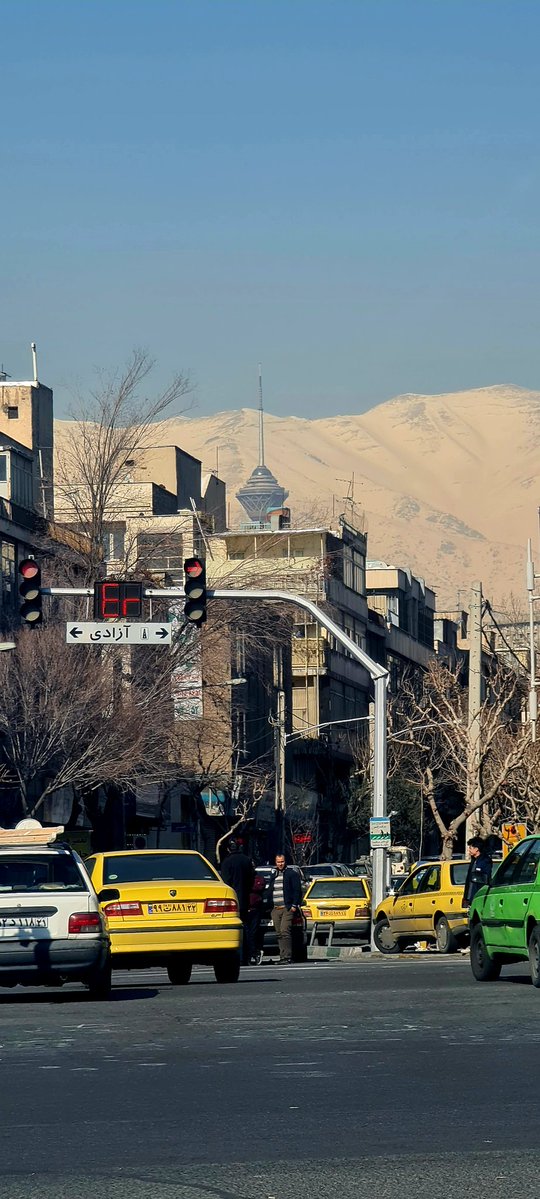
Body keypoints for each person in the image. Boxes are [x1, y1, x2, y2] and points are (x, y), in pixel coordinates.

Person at [219, 838, 255, 964]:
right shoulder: (247, 860)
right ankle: (248, 956)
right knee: (246, 927)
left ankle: (236, 956)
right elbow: (252, 880)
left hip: (231, 900)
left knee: (233, 929)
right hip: (244, 898)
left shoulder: (227, 862)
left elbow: (225, 882)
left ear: (228, 849)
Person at [268, 853, 303, 964]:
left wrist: (294, 905)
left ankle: (287, 956)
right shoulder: (274, 875)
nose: (280, 864)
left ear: (285, 861)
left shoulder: (291, 874)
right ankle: (282, 956)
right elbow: (270, 890)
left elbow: (297, 890)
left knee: (285, 931)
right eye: (278, 862)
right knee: (279, 933)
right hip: (276, 909)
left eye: (282, 861)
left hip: (287, 908)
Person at [463, 836, 492, 909]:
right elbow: (469, 880)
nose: (469, 850)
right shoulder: (473, 861)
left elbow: (485, 879)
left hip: (479, 896)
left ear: (476, 849)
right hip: (470, 898)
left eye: (470, 848)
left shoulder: (485, 861)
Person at [246, 872, 266, 964]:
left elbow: (259, 887)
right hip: (245, 909)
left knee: (254, 932)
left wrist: (248, 886)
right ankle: (248, 955)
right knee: (246, 933)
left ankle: (254, 953)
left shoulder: (259, 877)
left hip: (255, 909)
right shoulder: (243, 876)